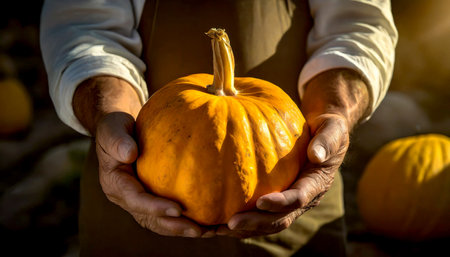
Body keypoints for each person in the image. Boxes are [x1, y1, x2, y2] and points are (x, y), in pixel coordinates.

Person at [40, 0, 397, 256]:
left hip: (296, 194)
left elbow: (359, 23)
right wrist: (109, 117)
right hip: (132, 199)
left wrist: (333, 115)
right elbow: (83, 25)